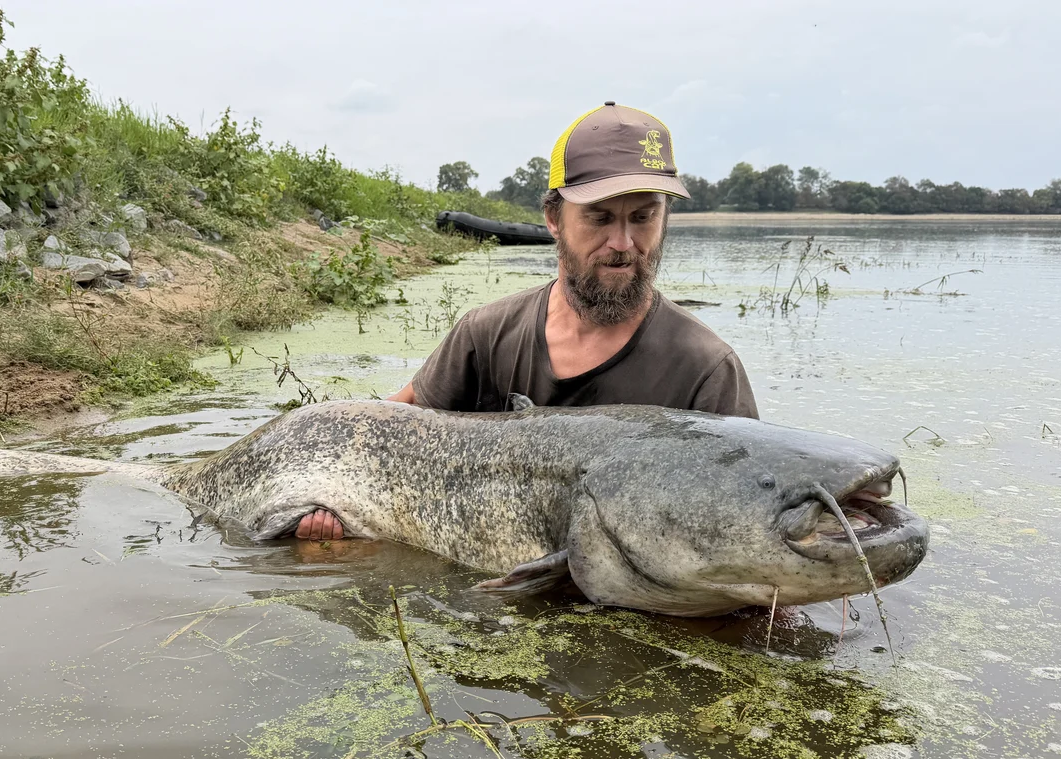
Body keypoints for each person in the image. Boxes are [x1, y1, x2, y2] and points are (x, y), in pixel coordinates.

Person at [295, 102, 758, 540]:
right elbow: (379, 430)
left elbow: (745, 521)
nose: (622, 243)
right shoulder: (486, 335)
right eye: (599, 218)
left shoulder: (706, 371)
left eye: (643, 217)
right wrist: (330, 503)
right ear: (553, 219)